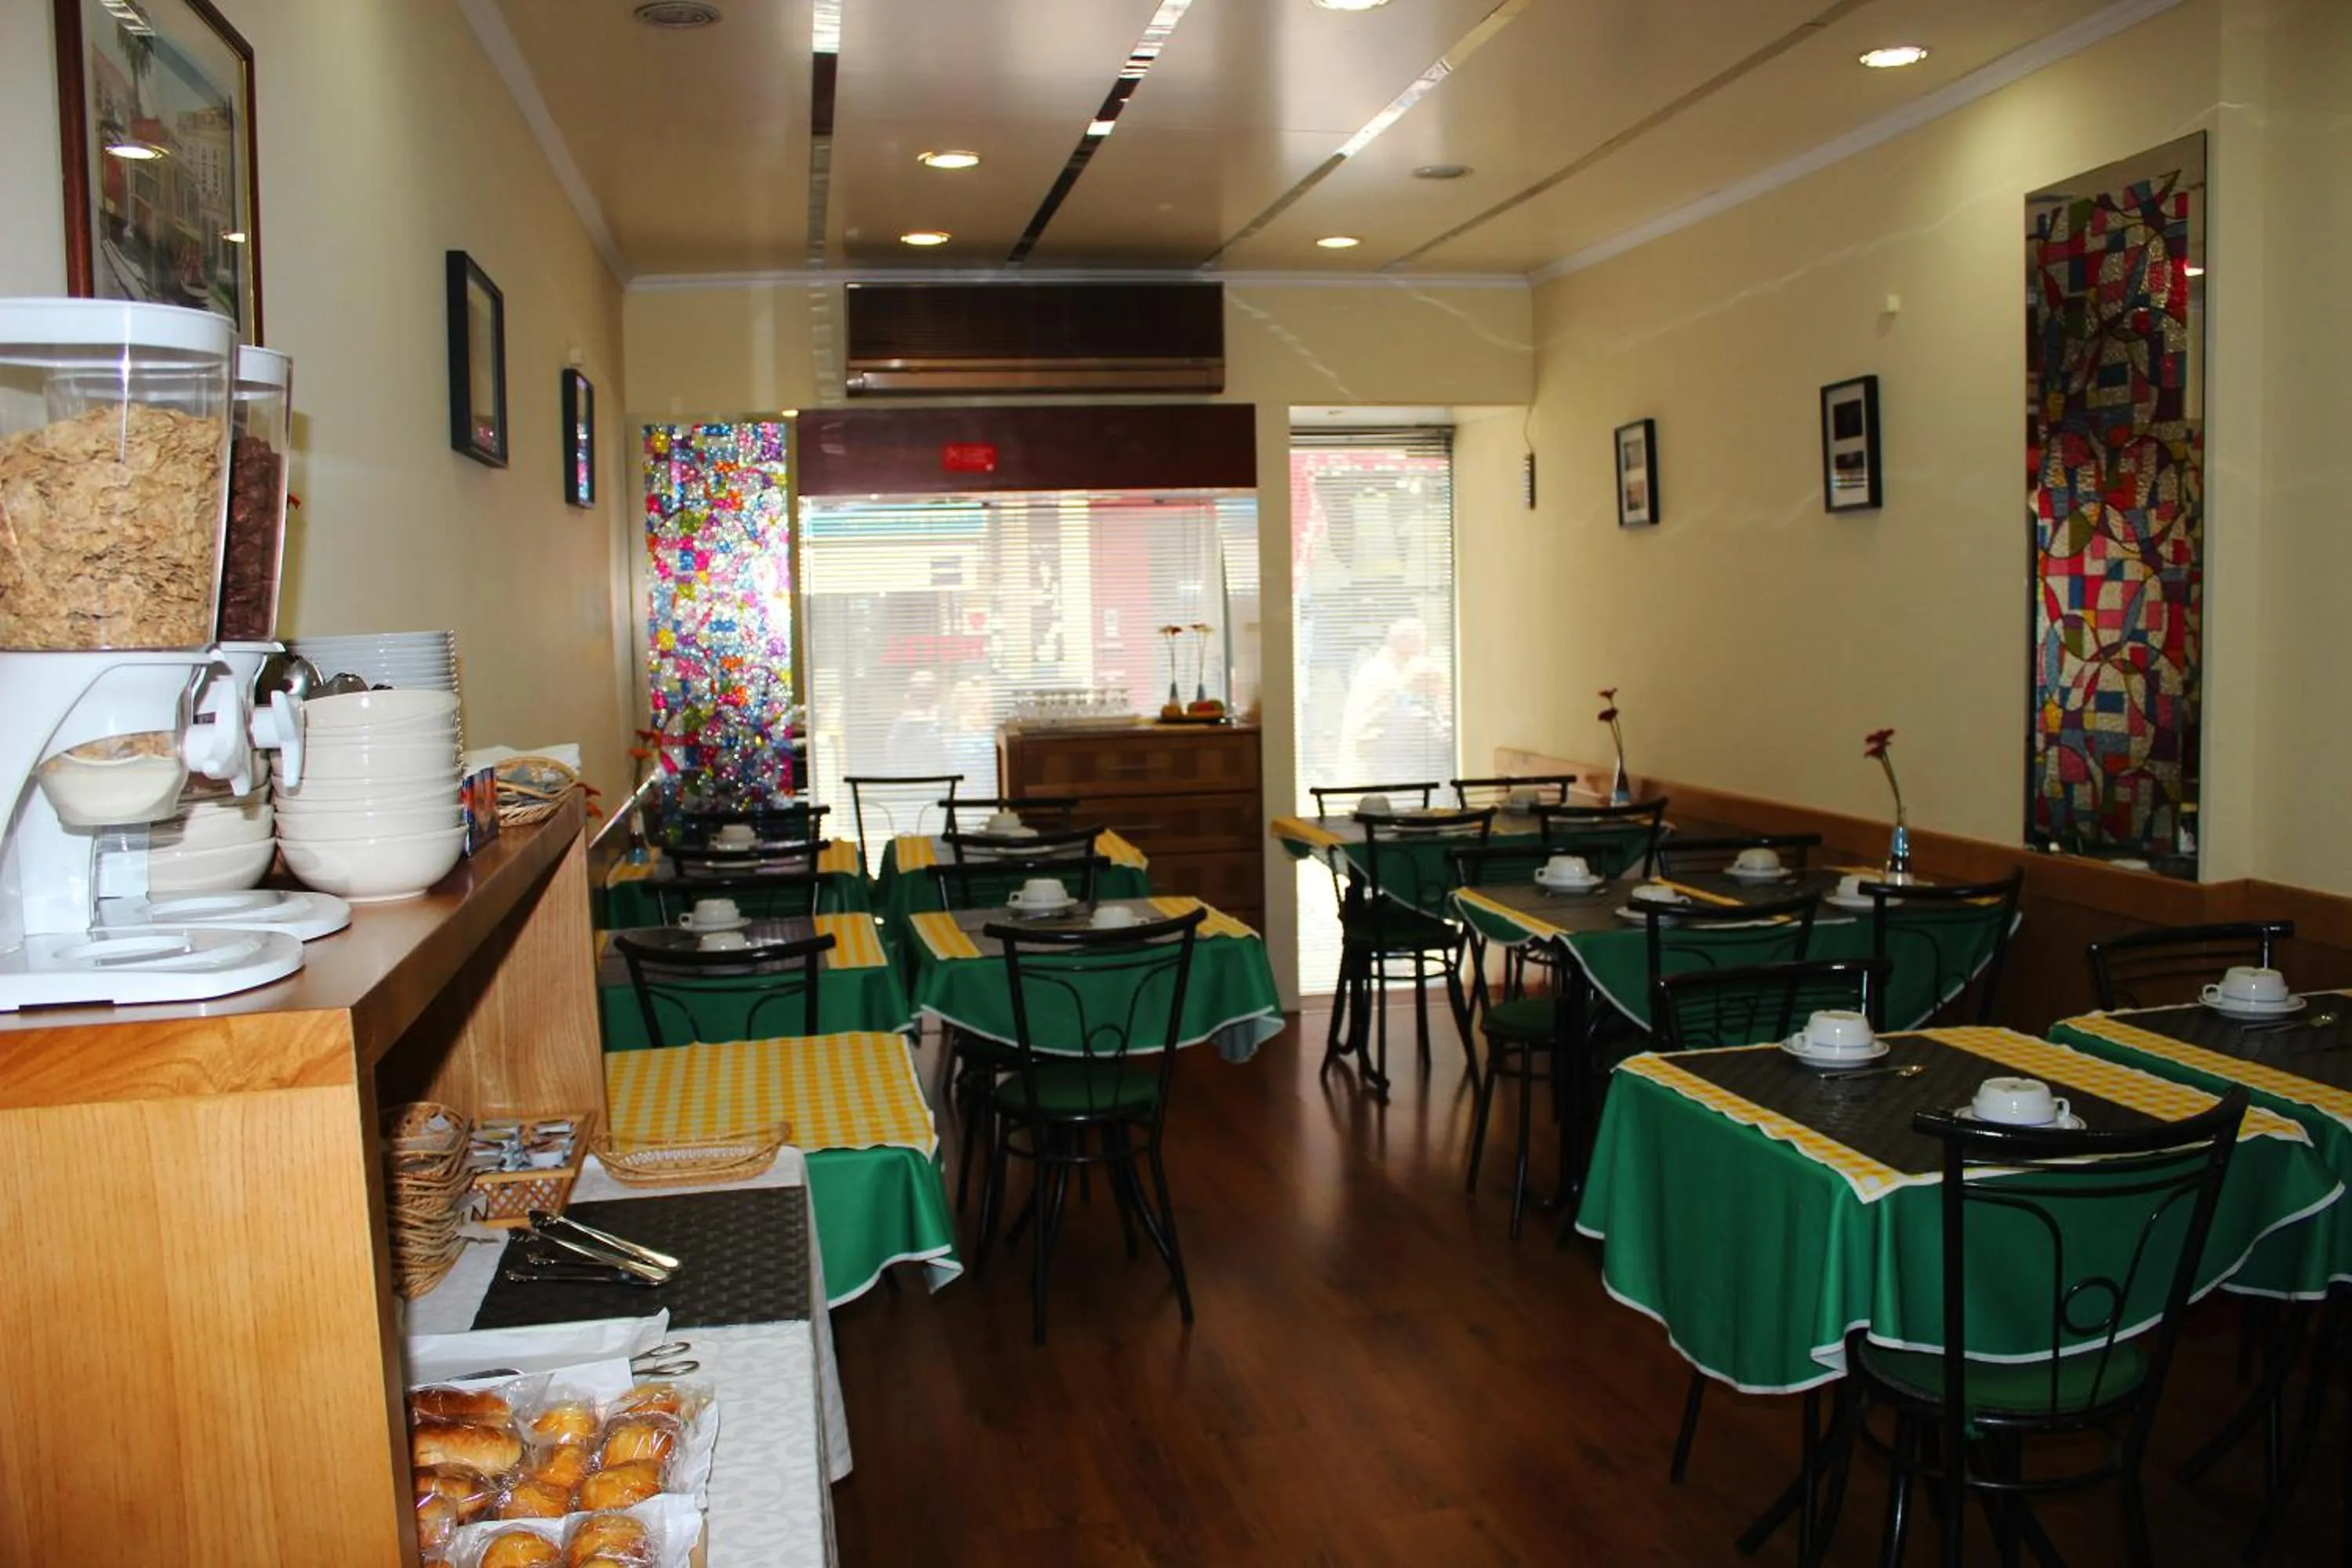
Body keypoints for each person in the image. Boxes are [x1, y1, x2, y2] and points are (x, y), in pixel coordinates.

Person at [1338, 617, 1427, 780]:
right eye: (1419, 641)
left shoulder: (1390, 670)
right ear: (1400, 641)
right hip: (1371, 769)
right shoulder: (1382, 674)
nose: (1422, 648)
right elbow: (1369, 730)